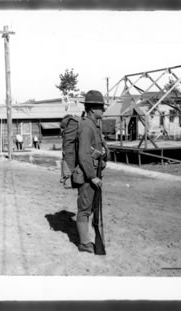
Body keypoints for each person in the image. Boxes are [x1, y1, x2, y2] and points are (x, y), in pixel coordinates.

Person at [75, 90, 107, 254]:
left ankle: (88, 238)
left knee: (92, 208)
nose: (104, 110)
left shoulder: (93, 125)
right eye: (101, 107)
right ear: (93, 109)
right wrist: (92, 176)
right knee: (85, 209)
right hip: (89, 177)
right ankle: (84, 243)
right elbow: (83, 154)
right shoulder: (87, 126)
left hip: (95, 174)